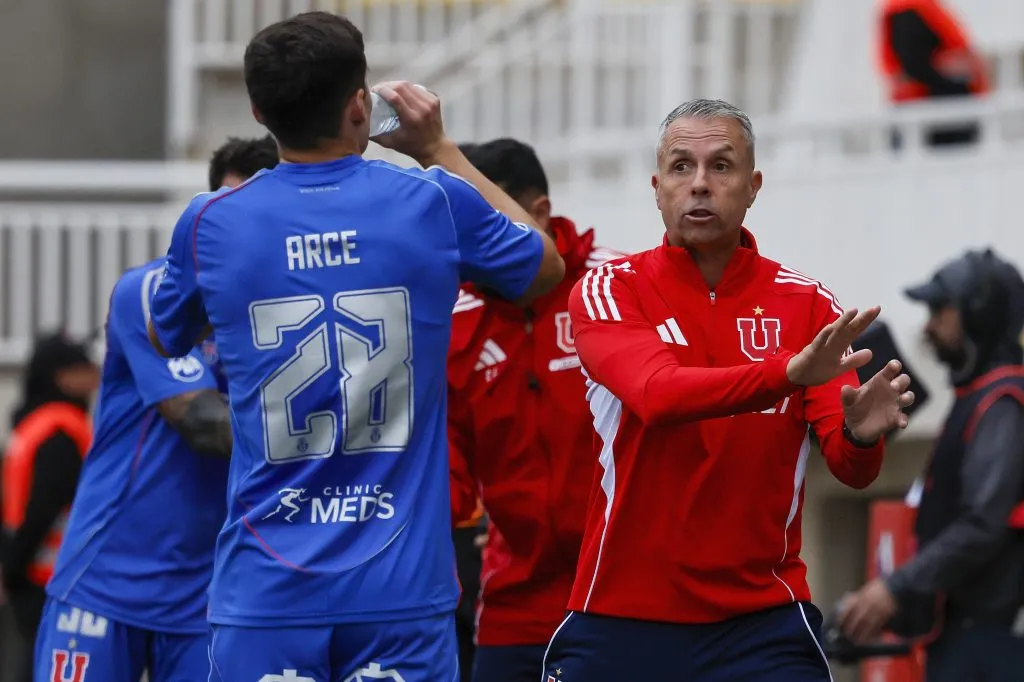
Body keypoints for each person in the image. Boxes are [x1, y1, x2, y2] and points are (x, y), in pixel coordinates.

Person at [146, 11, 564, 682]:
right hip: (399, 591)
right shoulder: (429, 202)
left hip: (267, 588)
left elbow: (164, 333)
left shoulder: (210, 223)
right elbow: (544, 266)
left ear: (259, 110)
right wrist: (438, 148)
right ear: (360, 105)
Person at [541, 98, 915, 682]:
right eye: (681, 167)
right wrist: (785, 374)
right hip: (621, 615)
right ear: (657, 185)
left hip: (762, 624)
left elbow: (851, 468)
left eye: (721, 166)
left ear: (753, 184)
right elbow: (657, 395)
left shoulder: (809, 304)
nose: (699, 185)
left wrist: (863, 437)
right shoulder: (609, 288)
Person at [31, 136, 277, 682]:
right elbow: (202, 421)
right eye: (225, 207)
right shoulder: (151, 293)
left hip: (207, 599)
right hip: (103, 584)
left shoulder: (280, 315)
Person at [447, 138, 621, 682]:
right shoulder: (456, 324)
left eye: (487, 226)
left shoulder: (617, 289)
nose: (475, 250)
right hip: (512, 606)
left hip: (622, 595)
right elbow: (447, 478)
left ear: (537, 211)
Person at [839, 249, 1024, 682]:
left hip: (989, 648)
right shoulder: (979, 399)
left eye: (941, 309)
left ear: (978, 315)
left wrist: (894, 588)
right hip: (962, 641)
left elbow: (983, 522)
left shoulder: (1003, 404)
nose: (928, 324)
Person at [1, 332, 99, 682]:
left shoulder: (32, 424)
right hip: (53, 577)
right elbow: (43, 510)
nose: (96, 375)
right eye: (85, 367)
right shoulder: (63, 430)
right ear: (63, 376)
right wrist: (12, 570)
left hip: (30, 573)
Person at [877, 0, 989, 148]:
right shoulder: (910, 11)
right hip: (935, 107)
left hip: (939, 107)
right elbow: (915, 63)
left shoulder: (912, 10)